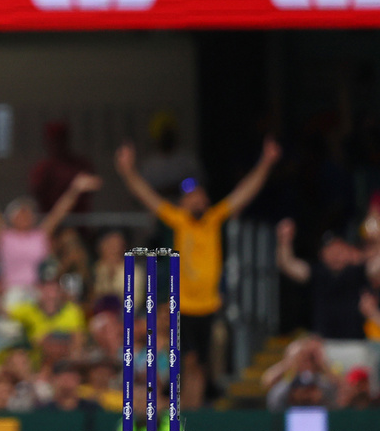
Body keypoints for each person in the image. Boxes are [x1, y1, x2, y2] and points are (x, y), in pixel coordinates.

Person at [115, 135, 281, 380]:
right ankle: (186, 411)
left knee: (205, 365)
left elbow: (244, 192)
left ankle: (199, 409)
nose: (198, 199)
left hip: (210, 306)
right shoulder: (178, 220)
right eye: (192, 196)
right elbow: (146, 195)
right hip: (183, 307)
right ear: (183, 201)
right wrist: (127, 171)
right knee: (186, 363)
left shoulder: (214, 220)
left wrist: (266, 163)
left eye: (201, 195)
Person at [0, 168, 101, 308]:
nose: (24, 216)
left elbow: (58, 213)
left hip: (37, 293)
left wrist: (75, 189)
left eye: (27, 213)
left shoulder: (40, 236)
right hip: (10, 291)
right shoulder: (5, 237)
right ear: (11, 218)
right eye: (19, 213)